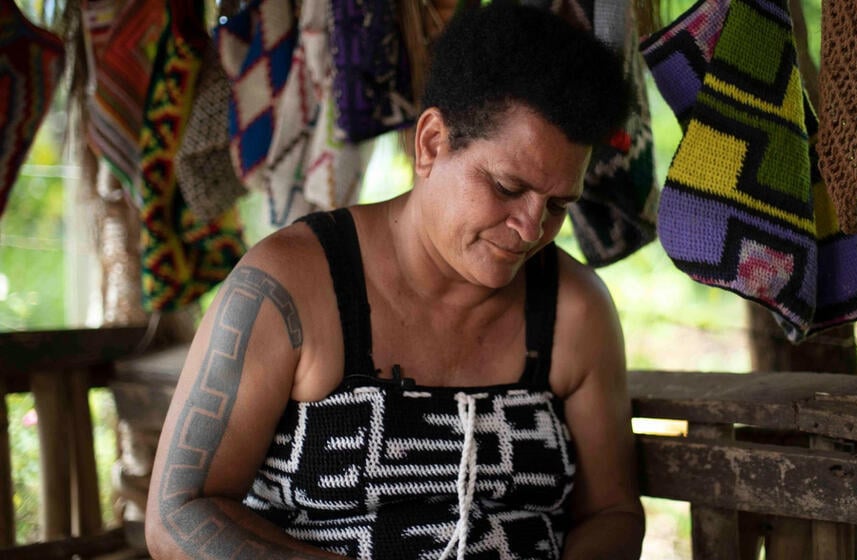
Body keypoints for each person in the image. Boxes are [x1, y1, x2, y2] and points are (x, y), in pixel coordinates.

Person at [145, 3, 644, 559]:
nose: (530, 228)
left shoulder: (574, 310)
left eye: (557, 205)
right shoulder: (291, 283)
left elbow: (613, 513)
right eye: (506, 187)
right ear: (431, 143)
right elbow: (178, 514)